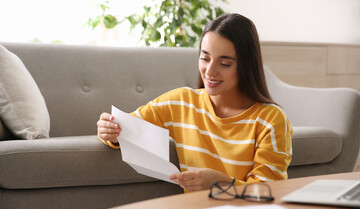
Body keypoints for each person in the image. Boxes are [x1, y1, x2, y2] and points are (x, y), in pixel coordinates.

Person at [97, 13, 293, 192]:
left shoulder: (271, 119)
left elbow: (269, 193)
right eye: (205, 58)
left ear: (246, 65)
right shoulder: (182, 102)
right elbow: (126, 127)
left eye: (224, 63)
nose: (210, 71)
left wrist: (221, 182)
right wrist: (109, 131)